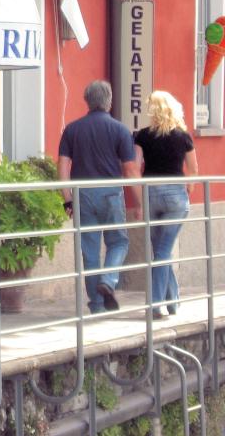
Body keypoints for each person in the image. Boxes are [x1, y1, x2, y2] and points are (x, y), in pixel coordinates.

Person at [58, 80, 142, 314]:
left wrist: (67, 198)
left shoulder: (72, 129)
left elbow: (62, 166)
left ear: (87, 100)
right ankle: (109, 279)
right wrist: (139, 202)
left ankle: (96, 304)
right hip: (111, 193)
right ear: (109, 101)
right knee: (119, 242)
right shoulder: (120, 130)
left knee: (90, 250)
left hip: (82, 194)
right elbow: (130, 169)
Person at [134, 91, 198, 320]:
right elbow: (193, 169)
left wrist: (140, 201)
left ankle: (169, 303)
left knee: (160, 250)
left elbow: (135, 166)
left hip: (151, 192)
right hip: (175, 196)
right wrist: (189, 189)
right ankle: (159, 305)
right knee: (163, 251)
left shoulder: (142, 136)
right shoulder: (183, 136)